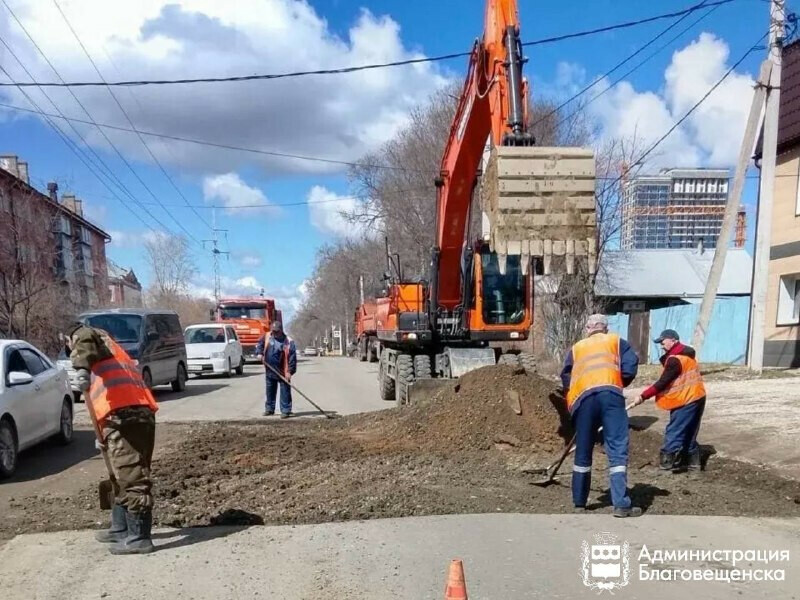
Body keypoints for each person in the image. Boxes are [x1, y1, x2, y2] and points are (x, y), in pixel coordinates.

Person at [69, 322, 158, 555]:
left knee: (132, 475)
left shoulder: (85, 335)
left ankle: (139, 538)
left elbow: (84, 335)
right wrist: (102, 434)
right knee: (121, 475)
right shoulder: (109, 348)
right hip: (128, 416)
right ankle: (121, 528)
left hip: (126, 417)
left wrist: (81, 369)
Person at [561, 314, 641, 518]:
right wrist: (619, 380)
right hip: (610, 395)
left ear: (588, 328)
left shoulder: (577, 348)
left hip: (583, 400)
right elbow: (631, 364)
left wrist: (573, 396)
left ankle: (579, 502)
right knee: (617, 448)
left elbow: (566, 375)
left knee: (583, 449)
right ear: (605, 328)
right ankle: (621, 504)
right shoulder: (616, 341)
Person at [633, 329, 706, 476]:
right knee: (690, 431)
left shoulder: (675, 359)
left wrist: (643, 396)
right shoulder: (686, 355)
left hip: (685, 398)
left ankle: (666, 465)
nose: (661, 345)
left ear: (673, 340)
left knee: (674, 430)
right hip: (698, 396)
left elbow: (662, 383)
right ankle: (694, 465)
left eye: (663, 342)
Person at [255, 321, 297, 418]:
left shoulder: (288, 342)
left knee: (285, 391)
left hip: (283, 371)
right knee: (270, 390)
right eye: (273, 331)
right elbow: (260, 345)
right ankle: (269, 409)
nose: (274, 333)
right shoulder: (267, 336)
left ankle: (286, 410)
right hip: (270, 369)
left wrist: (290, 371)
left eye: (276, 331)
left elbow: (292, 358)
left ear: (281, 331)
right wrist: (259, 353)